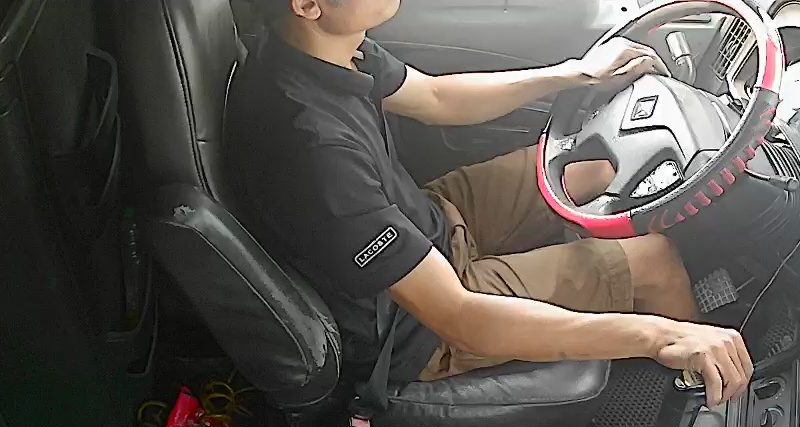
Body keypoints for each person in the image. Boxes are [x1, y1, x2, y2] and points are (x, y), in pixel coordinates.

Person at [227, 0, 753, 405]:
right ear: (308, 5)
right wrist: (661, 337)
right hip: (414, 325)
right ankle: (713, 393)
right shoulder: (315, 152)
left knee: (595, 165)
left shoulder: (331, 48)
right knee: (653, 260)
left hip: (427, 219)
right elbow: (459, 315)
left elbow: (436, 97)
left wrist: (576, 72)